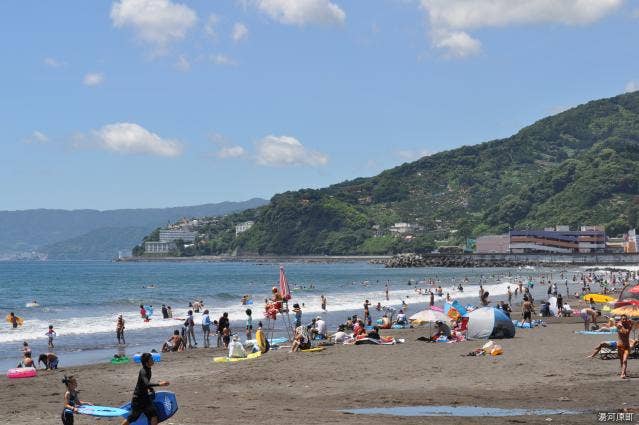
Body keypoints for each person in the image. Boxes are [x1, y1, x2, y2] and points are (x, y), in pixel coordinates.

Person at [120, 352, 170, 425]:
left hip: (145, 398)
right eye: (151, 359)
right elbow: (146, 383)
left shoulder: (149, 369)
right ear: (147, 362)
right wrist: (160, 384)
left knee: (154, 415)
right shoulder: (143, 371)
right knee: (133, 418)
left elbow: (145, 384)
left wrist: (151, 389)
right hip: (138, 399)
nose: (153, 360)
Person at [616, 314, 633, 379]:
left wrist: (622, 326)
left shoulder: (629, 326)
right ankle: (623, 372)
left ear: (627, 319)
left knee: (625, 360)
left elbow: (626, 332)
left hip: (626, 346)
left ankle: (622, 374)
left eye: (625, 319)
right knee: (621, 360)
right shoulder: (618, 326)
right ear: (621, 319)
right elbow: (618, 328)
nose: (624, 320)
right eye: (623, 319)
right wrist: (620, 326)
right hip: (620, 345)